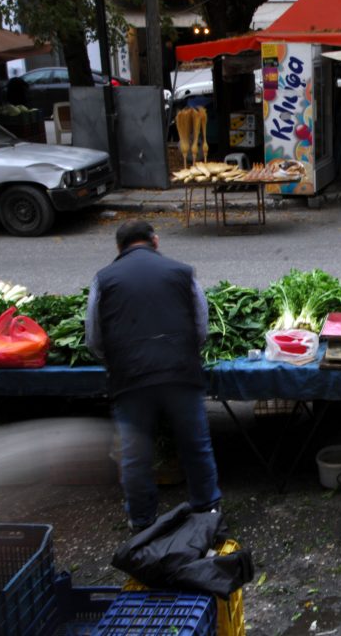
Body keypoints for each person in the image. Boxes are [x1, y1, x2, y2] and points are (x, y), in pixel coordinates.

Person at [85, 220, 221, 532]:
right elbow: (201, 327)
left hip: (130, 376)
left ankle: (142, 521)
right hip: (180, 372)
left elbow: (93, 337)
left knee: (135, 455)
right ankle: (208, 510)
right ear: (155, 241)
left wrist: (119, 359)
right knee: (195, 445)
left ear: (119, 248)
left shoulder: (103, 280)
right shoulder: (182, 273)